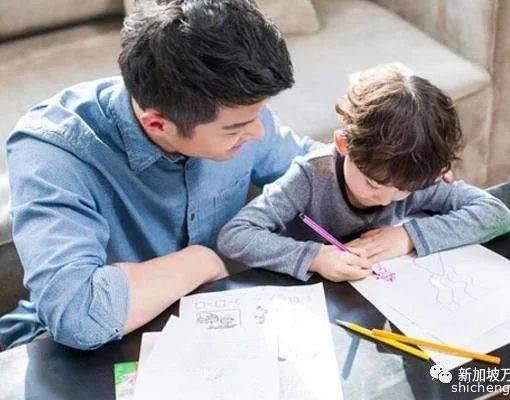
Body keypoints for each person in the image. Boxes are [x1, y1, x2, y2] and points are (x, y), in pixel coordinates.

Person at [0, 0, 320, 351]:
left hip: (209, 325)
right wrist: (200, 261)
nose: (259, 133)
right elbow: (77, 316)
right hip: (75, 348)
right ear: (157, 124)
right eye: (235, 129)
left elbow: (315, 169)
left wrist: (371, 204)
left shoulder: (233, 107)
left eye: (260, 114)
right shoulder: (53, 150)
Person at [218, 64, 510, 282]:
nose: (386, 200)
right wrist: (315, 257)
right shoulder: (309, 177)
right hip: (311, 296)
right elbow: (235, 235)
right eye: (373, 184)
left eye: (403, 191)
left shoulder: (412, 176)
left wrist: (408, 236)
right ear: (343, 145)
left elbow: (497, 214)